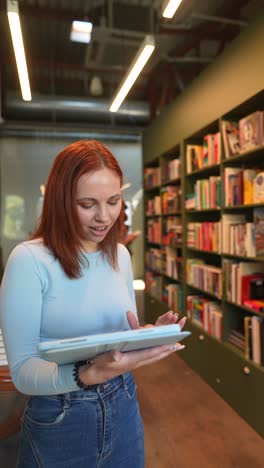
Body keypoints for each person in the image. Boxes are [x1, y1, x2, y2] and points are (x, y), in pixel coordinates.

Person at [0, 140, 186, 468]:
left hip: (124, 404)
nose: (104, 217)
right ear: (59, 201)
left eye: (114, 201)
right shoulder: (29, 260)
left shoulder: (121, 256)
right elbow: (24, 372)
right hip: (60, 417)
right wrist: (89, 373)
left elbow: (117, 337)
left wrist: (144, 336)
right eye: (87, 204)